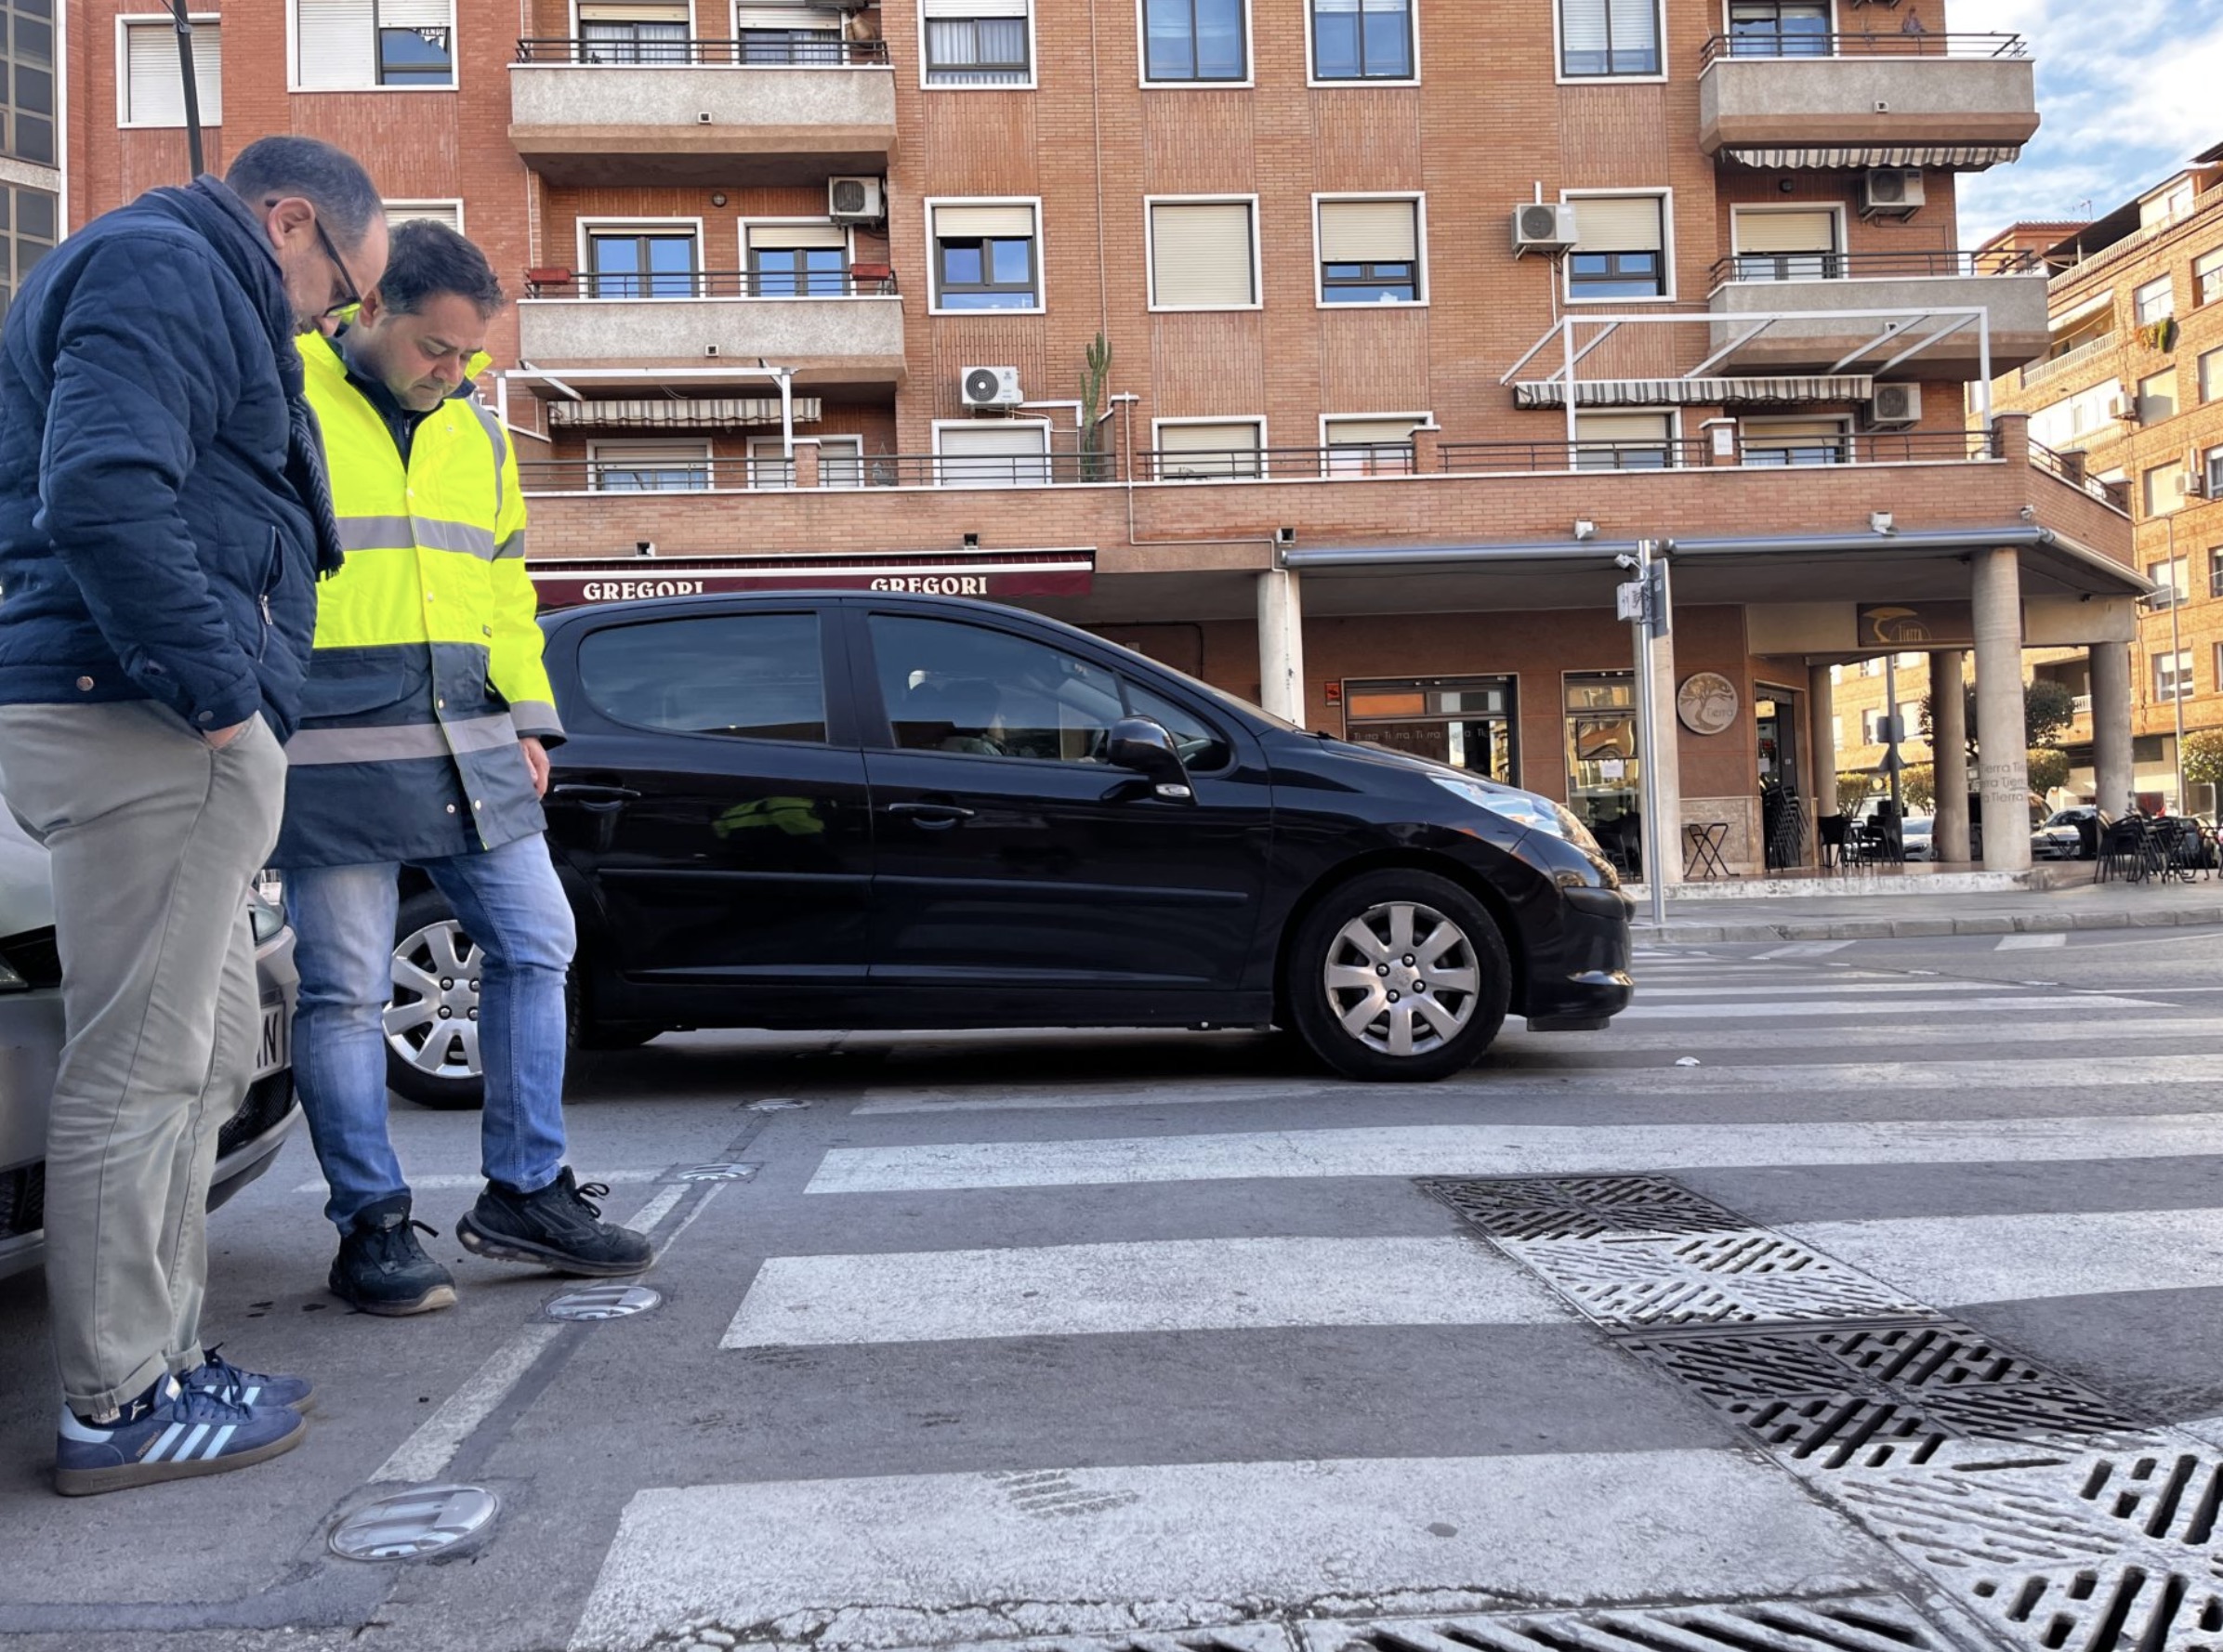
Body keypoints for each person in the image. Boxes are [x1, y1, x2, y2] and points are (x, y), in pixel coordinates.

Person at [0, 138, 388, 1495]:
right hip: (147, 718)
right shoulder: (164, 267)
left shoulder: (177, 274)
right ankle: (117, 1402)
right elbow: (103, 488)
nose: (332, 321)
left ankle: (164, 1363)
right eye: (341, 290)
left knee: (207, 1056)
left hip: (155, 712)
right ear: (291, 222)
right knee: (141, 1068)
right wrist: (224, 699)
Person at [277, 221, 651, 1316]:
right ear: (370, 309)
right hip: (331, 741)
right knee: (345, 988)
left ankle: (526, 1191)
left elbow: (503, 587)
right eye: (436, 348)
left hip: (469, 730)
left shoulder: (479, 435)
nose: (453, 372)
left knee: (538, 940)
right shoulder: (280, 392)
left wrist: (530, 717)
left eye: (470, 355)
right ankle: (372, 1227)